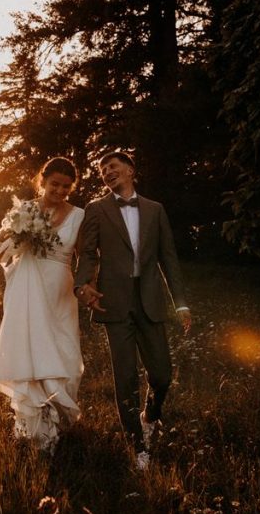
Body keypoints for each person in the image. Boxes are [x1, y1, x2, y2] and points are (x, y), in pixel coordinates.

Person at [74, 151, 191, 469]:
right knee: (125, 378)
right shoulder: (96, 209)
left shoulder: (156, 210)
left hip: (150, 301)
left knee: (163, 376)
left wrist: (180, 302)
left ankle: (150, 416)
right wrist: (82, 284)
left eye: (112, 166)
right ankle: (138, 446)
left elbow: (169, 258)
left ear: (130, 170)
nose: (106, 172)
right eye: (101, 169)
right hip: (115, 303)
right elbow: (87, 253)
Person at [0, 157, 85, 451]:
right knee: (30, 350)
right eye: (55, 184)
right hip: (26, 287)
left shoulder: (79, 215)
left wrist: (87, 285)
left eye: (67, 187)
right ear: (42, 181)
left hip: (61, 292)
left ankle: (57, 419)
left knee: (64, 351)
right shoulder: (24, 210)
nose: (60, 190)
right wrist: (22, 239)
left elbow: (86, 257)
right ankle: (35, 431)